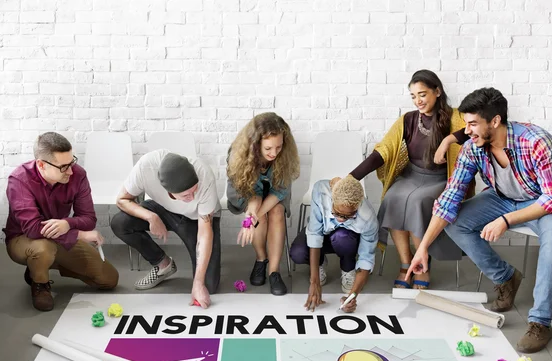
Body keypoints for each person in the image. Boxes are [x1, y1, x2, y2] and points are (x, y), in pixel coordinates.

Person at [407, 87, 552, 353]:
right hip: (502, 197)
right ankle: (506, 278)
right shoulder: (472, 147)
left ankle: (540, 322)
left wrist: (506, 221)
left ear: (495, 121)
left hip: (543, 203)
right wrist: (422, 250)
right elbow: (448, 200)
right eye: (466, 123)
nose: (467, 130)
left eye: (473, 123)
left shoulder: (536, 141)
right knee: (455, 221)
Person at [350, 69, 472, 290]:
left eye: (422, 94)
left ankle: (422, 265)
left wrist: (447, 141)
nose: (418, 101)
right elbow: (384, 151)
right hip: (412, 175)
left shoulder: (456, 117)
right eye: (413, 96)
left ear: (437, 91)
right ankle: (406, 264)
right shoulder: (407, 119)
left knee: (417, 202)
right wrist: (353, 177)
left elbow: (473, 129)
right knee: (393, 197)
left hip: (441, 180)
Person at [3, 132, 118, 311]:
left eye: (72, 162)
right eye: (64, 167)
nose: (71, 170)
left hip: (61, 236)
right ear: (41, 165)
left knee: (109, 279)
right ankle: (39, 283)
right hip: (23, 238)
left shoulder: (78, 175)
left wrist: (67, 224)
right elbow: (33, 229)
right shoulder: (19, 180)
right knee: (43, 248)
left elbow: (89, 219)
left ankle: (39, 266)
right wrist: (78, 234)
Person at [111, 149, 221, 308]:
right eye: (186, 195)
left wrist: (198, 283)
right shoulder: (145, 167)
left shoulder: (204, 175)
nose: (192, 197)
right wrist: (151, 217)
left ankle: (199, 281)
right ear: (169, 192)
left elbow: (204, 233)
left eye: (194, 190)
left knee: (208, 285)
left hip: (197, 218)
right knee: (120, 223)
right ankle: (163, 264)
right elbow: (122, 200)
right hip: (163, 209)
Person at [226, 112, 300, 296]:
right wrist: (253, 213)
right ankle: (261, 259)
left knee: (276, 212)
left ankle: (274, 271)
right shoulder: (238, 155)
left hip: (275, 193)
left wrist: (252, 218)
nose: (274, 153)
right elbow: (250, 193)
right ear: (255, 144)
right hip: (246, 193)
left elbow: (280, 191)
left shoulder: (285, 155)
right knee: (260, 212)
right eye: (268, 148)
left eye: (279, 147)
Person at [290, 176, 378, 312]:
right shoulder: (321, 191)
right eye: (336, 213)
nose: (341, 219)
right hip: (323, 234)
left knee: (342, 237)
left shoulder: (368, 218)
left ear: (358, 206)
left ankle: (348, 268)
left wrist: (352, 297)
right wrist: (315, 282)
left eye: (348, 216)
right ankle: (319, 263)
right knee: (298, 253)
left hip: (346, 241)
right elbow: (315, 233)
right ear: (332, 199)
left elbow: (366, 259)